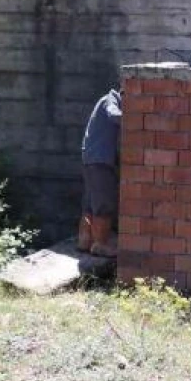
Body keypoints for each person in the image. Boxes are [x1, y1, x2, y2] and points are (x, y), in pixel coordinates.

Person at [79, 88, 122, 257]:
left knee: (90, 203)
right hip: (100, 159)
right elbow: (114, 115)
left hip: (91, 158)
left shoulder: (105, 100)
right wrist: (139, 119)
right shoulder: (110, 100)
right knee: (103, 204)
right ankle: (100, 245)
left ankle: (84, 240)